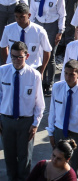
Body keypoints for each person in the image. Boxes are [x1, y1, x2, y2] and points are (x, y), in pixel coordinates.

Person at [1, 41, 45, 181]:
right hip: (6, 120)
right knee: (9, 155)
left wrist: (35, 124)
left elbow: (39, 102)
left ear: (27, 56)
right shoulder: (2, 71)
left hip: (26, 121)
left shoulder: (34, 75)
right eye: (13, 57)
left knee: (25, 156)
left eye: (20, 57)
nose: (16, 60)